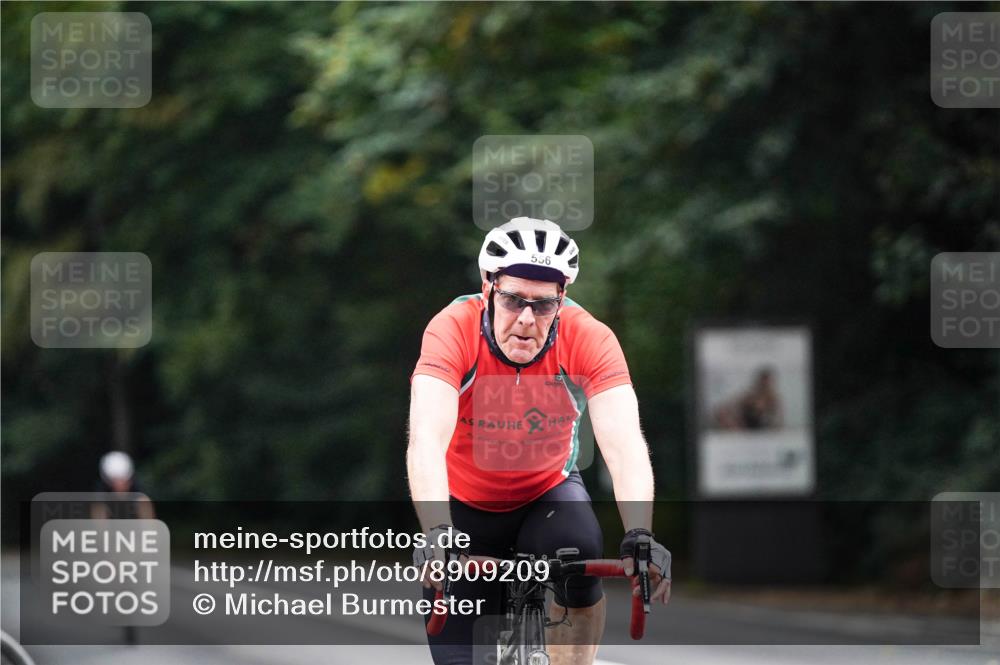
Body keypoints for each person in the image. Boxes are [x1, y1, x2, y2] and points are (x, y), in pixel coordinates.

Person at [408, 217, 671, 665]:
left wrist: (640, 532)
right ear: (488, 288)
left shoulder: (588, 336)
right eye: (513, 300)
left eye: (544, 305)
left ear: (562, 299)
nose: (527, 320)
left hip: (546, 494)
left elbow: (625, 444)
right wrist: (436, 530)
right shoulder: (451, 329)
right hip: (465, 507)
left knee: (580, 551)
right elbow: (426, 439)